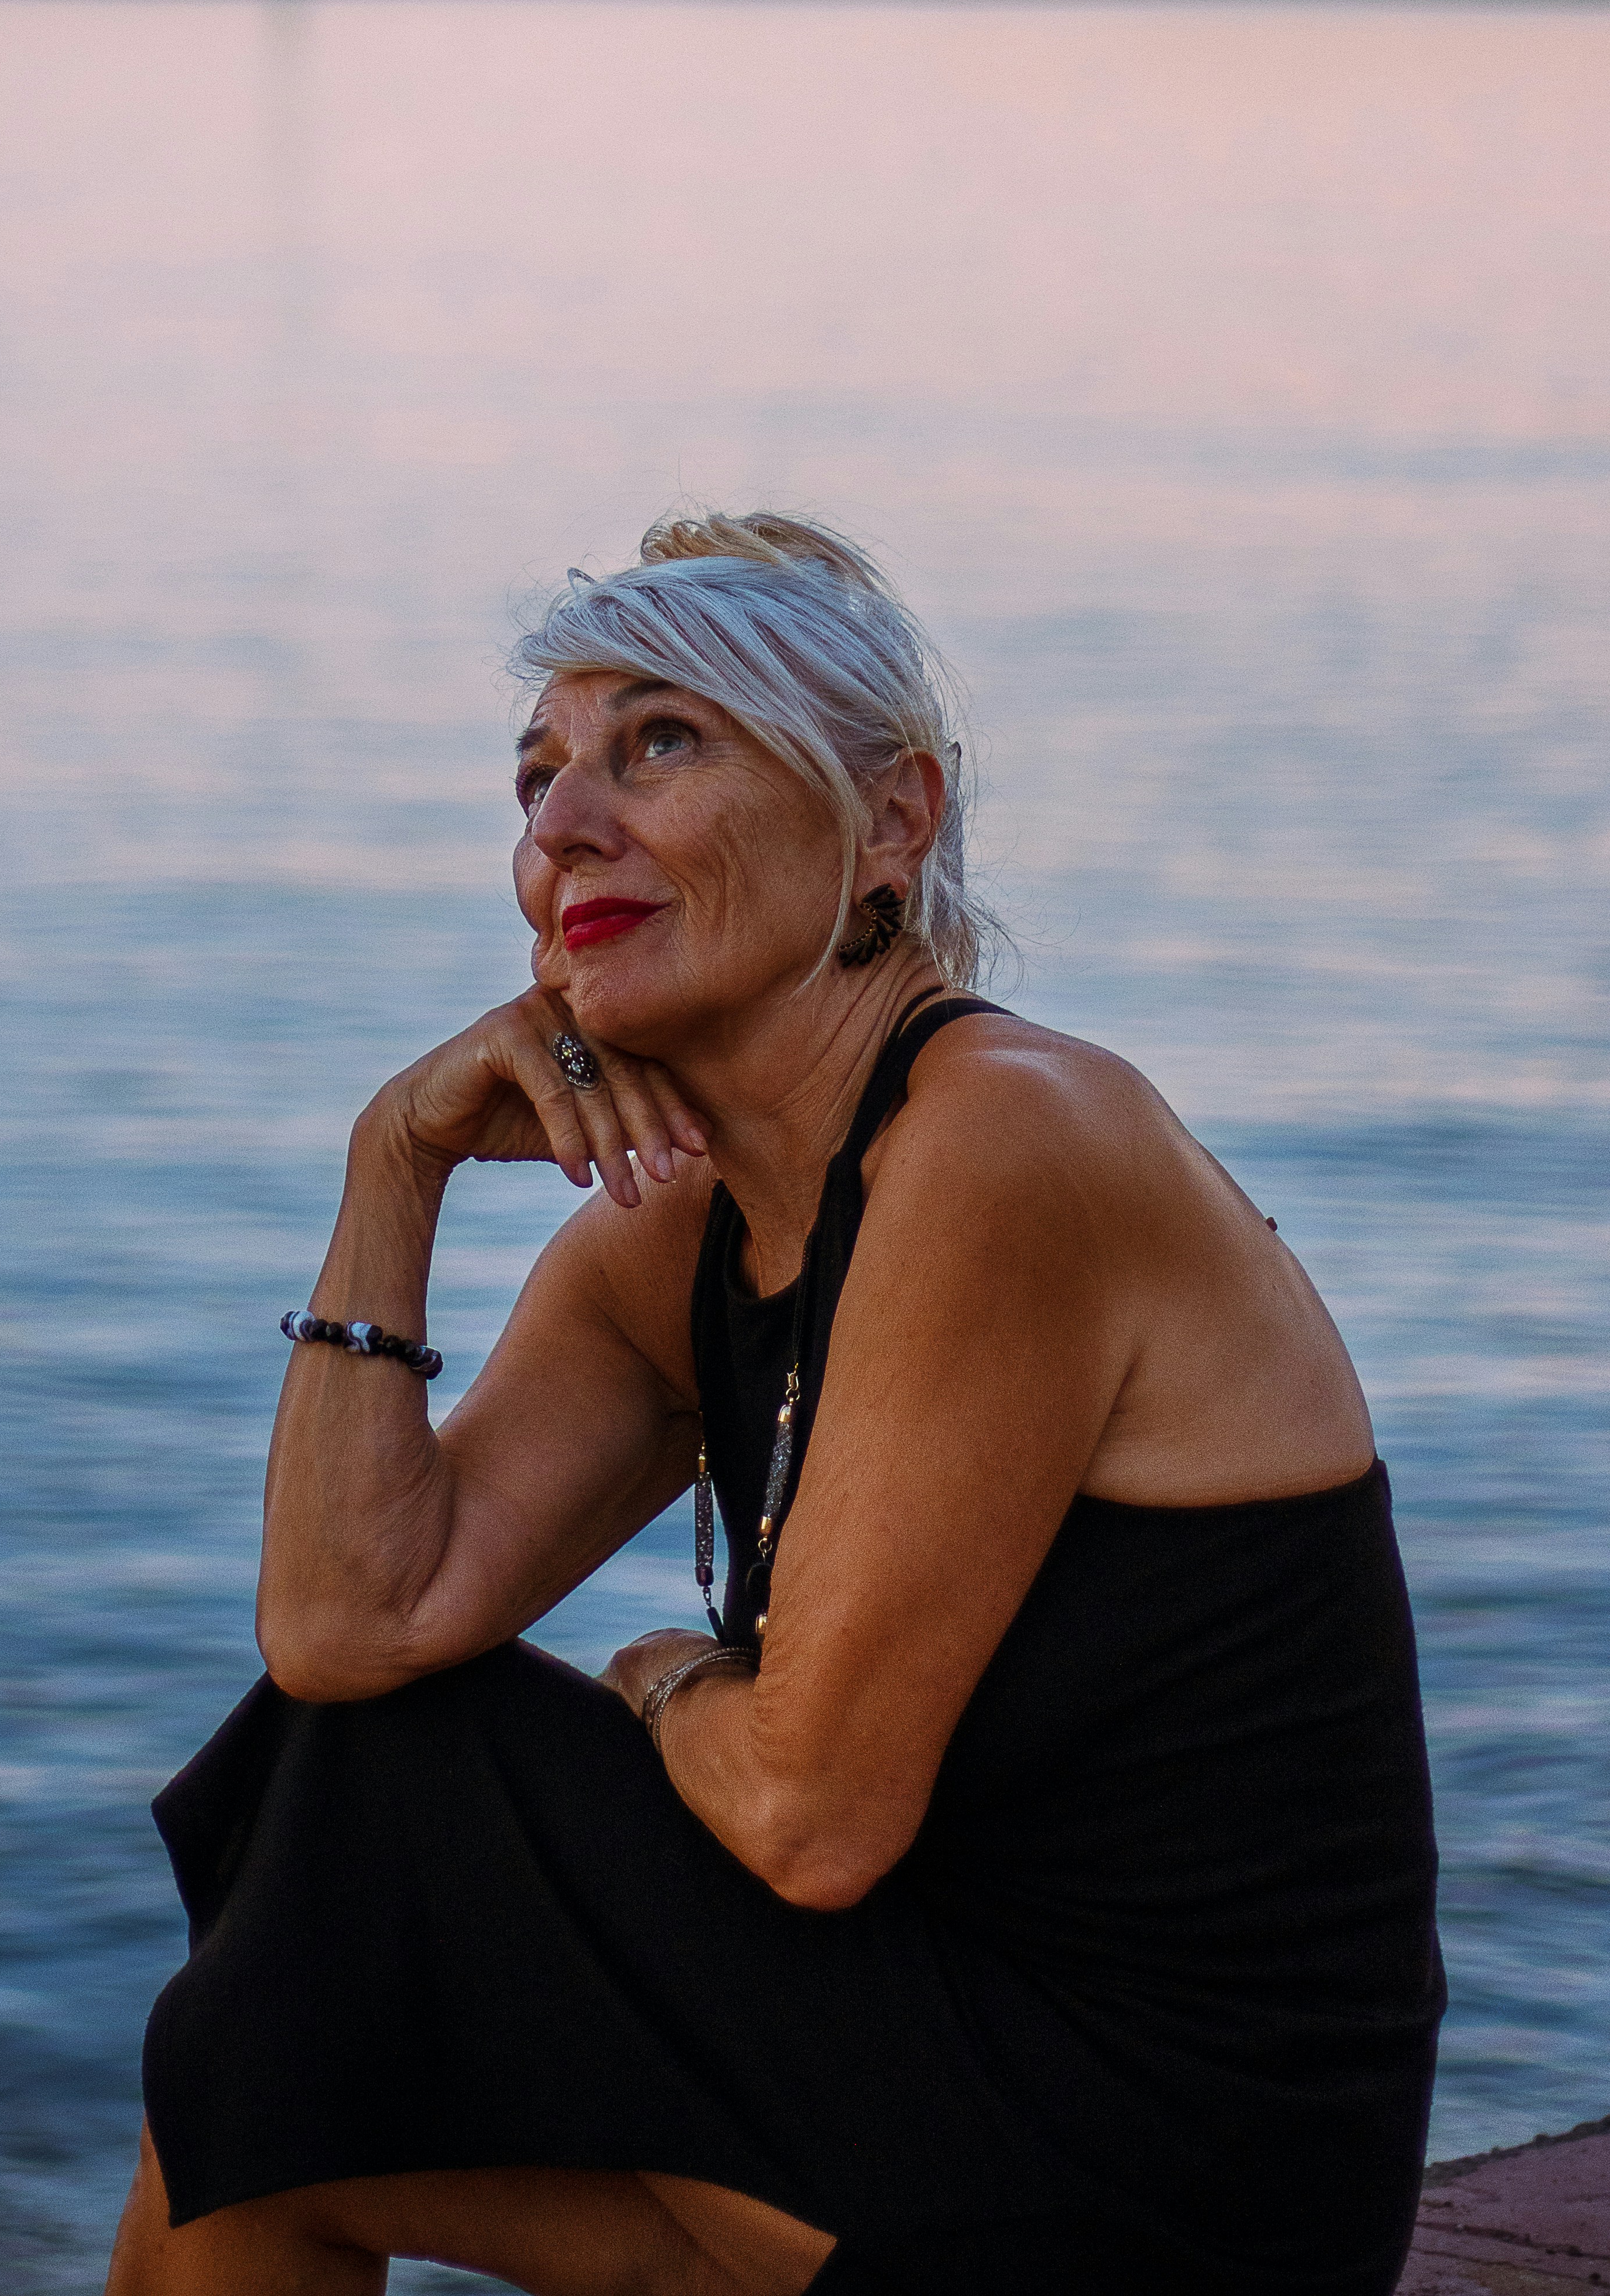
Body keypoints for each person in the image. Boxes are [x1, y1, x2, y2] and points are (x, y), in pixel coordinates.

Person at [105, 512, 1444, 2296]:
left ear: (893, 819)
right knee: (249, 2134)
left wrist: (664, 1674)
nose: (562, 829)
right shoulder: (686, 1228)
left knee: (378, 1832)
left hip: (1175, 2169)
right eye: (537, 775)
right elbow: (348, 1628)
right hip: (922, 2063)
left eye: (661, 742)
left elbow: (813, 1820)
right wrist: (392, 1164)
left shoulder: (1006, 1141)